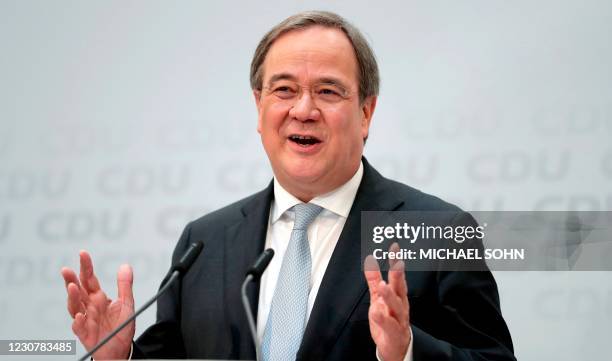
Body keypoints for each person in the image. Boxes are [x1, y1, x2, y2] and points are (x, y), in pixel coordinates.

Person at [61, 11, 515, 361]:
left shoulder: (435, 229)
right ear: (258, 107)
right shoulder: (204, 242)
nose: (303, 109)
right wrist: (120, 356)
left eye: (328, 91)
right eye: (283, 90)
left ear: (366, 114)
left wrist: (407, 351)